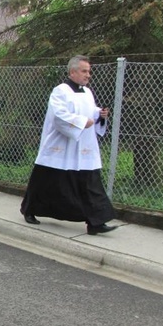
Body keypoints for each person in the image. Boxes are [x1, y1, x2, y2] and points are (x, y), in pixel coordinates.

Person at [20, 55, 117, 236]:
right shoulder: (60, 91)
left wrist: (99, 114)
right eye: (84, 71)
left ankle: (96, 222)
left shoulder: (87, 92)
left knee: (91, 183)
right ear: (72, 72)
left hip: (84, 147)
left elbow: (90, 111)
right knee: (45, 181)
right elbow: (59, 115)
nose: (88, 75)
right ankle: (30, 209)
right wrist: (81, 122)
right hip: (60, 146)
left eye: (89, 71)